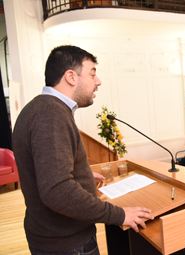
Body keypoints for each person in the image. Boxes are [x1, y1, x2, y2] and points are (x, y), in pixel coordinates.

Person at [12, 45, 154, 254]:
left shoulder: (41, 108)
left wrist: (83, 175)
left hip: (55, 237)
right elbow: (57, 192)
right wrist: (119, 215)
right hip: (66, 243)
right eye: (92, 73)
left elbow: (47, 171)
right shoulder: (50, 115)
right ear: (71, 77)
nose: (98, 81)